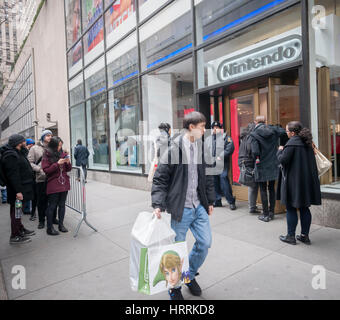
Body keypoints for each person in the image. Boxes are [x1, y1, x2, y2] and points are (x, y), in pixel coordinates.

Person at [152, 111, 215, 300]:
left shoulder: (202, 148)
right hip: (181, 208)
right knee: (176, 251)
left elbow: (207, 176)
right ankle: (174, 287)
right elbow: (160, 178)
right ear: (191, 127)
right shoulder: (173, 149)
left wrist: (210, 200)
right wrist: (158, 204)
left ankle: (188, 276)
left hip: (199, 206)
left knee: (204, 243)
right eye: (202, 126)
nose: (205, 130)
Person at [277, 121, 321, 245]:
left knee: (291, 207)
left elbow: (282, 160)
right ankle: (304, 236)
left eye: (286, 131)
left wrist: (280, 150)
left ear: (292, 132)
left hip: (293, 181)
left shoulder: (291, 144)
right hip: (307, 181)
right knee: (304, 207)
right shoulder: (308, 143)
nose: (286, 133)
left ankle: (290, 236)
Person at [250, 116, 287, 222]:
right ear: (265, 121)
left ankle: (265, 214)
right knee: (271, 188)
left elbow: (255, 152)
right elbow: (283, 132)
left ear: (255, 122)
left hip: (261, 163)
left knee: (262, 189)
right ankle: (272, 212)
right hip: (273, 162)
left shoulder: (254, 134)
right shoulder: (273, 130)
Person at [0, 134, 35, 244]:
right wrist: (18, 192)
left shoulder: (17, 152)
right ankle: (15, 235)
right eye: (23, 141)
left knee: (17, 213)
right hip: (18, 192)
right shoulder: (11, 155)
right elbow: (13, 176)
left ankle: (20, 229)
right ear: (19, 142)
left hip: (22, 189)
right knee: (16, 213)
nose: (25, 142)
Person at [28, 130, 58, 229]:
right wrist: (39, 169)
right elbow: (30, 162)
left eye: (51, 135)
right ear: (43, 137)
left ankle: (53, 218)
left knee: (53, 201)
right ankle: (41, 221)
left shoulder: (54, 147)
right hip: (41, 179)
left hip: (53, 178)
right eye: (48, 135)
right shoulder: (34, 148)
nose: (50, 137)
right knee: (42, 201)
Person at [42, 137, 72, 236]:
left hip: (63, 183)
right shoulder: (47, 154)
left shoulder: (62, 153)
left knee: (62, 205)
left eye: (61, 145)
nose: (60, 147)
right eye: (59, 145)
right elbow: (46, 170)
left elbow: (68, 169)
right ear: (54, 145)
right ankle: (49, 228)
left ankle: (61, 225)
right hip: (53, 184)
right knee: (52, 206)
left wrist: (68, 162)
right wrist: (57, 164)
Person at [206, 121, 236, 210]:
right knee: (215, 182)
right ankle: (217, 201)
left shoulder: (226, 137)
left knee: (224, 181)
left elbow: (230, 148)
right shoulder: (210, 138)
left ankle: (231, 201)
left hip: (222, 163)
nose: (215, 129)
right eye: (214, 128)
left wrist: (221, 156)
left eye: (217, 127)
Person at [238, 123, 261, 214]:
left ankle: (252, 206)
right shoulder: (250, 138)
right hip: (248, 163)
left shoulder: (244, 137)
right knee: (253, 186)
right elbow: (253, 151)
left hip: (242, 161)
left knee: (252, 185)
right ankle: (252, 207)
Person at [24, 138, 37, 220]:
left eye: (33, 144)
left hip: (32, 175)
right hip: (27, 176)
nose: (32, 145)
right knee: (28, 193)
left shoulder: (33, 150)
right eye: (31, 144)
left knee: (32, 194)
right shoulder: (25, 152)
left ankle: (29, 209)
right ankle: (27, 209)